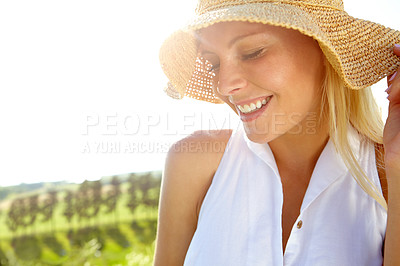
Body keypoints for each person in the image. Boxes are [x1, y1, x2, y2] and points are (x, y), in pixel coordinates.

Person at [154, 0, 400, 265]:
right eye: (214, 64)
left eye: (252, 52)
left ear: (324, 48)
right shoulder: (194, 164)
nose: (224, 85)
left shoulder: (388, 174)